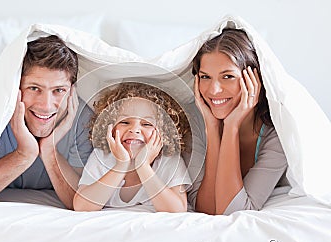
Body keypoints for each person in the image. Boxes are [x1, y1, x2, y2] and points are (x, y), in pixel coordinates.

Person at [0, 35, 93, 209]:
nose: (46, 105)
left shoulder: (83, 122)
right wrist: (23, 155)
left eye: (59, 90)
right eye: (34, 88)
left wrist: (50, 152)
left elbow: (80, 203)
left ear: (72, 92)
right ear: (15, 87)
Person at [190, 29, 289, 215]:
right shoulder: (195, 122)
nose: (214, 90)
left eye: (228, 76)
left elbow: (233, 211)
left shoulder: (276, 134)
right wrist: (212, 128)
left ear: (254, 81)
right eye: (205, 77)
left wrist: (231, 127)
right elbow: (208, 209)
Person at [73, 82, 192, 212]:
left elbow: (178, 210)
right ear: (110, 127)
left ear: (164, 131)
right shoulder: (102, 156)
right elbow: (82, 206)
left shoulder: (168, 160)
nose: (134, 130)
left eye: (146, 124)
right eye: (125, 122)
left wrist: (143, 167)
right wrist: (121, 165)